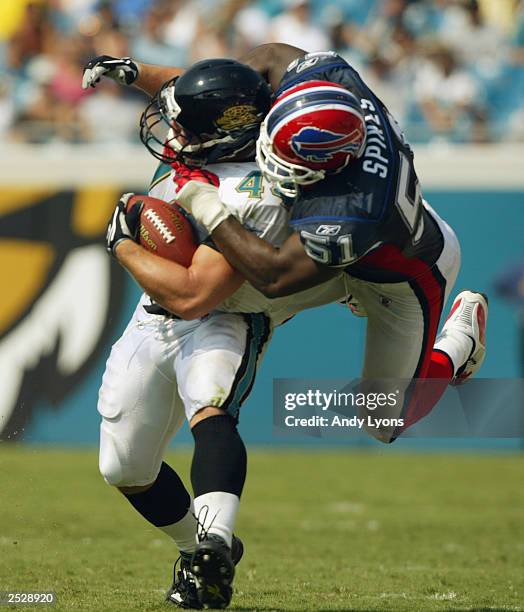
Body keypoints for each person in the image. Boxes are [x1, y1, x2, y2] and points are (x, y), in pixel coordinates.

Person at [92, 59, 349, 610]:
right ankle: (203, 551)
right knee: (123, 467)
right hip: (151, 316)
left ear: (222, 134)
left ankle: (213, 539)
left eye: (185, 127)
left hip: (221, 314)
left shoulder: (254, 191)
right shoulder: (232, 121)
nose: (173, 133)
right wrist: (134, 71)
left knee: (209, 406)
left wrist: (123, 242)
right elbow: (209, 90)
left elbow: (193, 294)